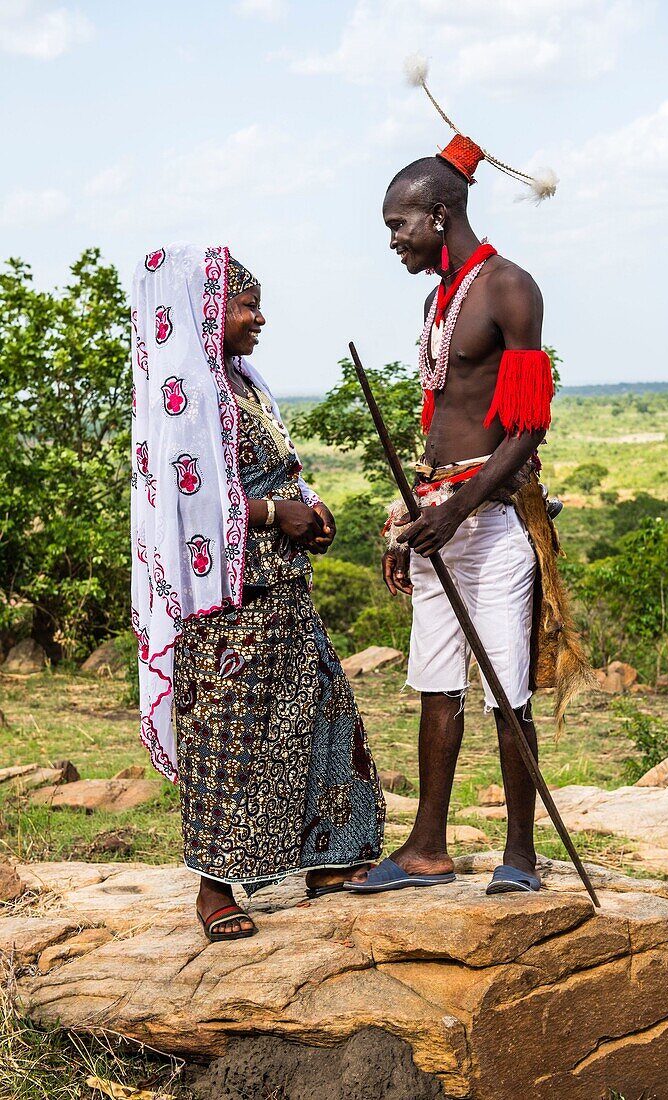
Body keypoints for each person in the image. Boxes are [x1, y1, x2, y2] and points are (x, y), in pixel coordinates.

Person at [346, 62, 590, 898]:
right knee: (433, 682)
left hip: (488, 523)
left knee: (505, 689)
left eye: (398, 224)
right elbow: (443, 417)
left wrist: (459, 513)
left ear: (437, 214)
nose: (393, 241)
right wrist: (422, 508)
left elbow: (525, 428)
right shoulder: (437, 302)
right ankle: (426, 849)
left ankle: (520, 854)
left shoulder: (508, 288)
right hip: (438, 514)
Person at [131, 244, 385, 940]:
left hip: (283, 587)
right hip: (227, 601)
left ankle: (327, 856)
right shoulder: (184, 396)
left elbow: (274, 470)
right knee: (230, 730)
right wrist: (277, 515)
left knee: (320, 708)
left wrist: (310, 509)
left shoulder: (242, 382)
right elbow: (182, 507)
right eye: (246, 304)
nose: (259, 318)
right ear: (205, 311)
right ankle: (215, 888)